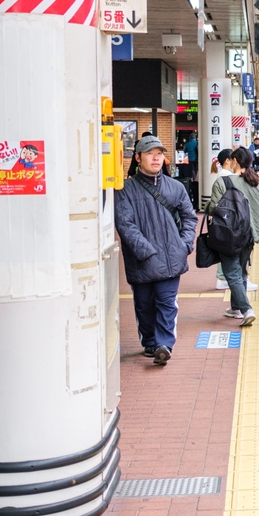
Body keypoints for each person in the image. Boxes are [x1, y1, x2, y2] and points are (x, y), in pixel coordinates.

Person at [115, 135, 197, 366]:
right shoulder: (125, 190)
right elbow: (125, 224)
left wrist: (185, 243)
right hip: (142, 261)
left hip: (172, 259)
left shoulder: (176, 187)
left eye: (159, 153)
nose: (156, 158)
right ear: (138, 158)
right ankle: (150, 342)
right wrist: (146, 251)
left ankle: (164, 345)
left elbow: (189, 217)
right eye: (150, 153)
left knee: (167, 303)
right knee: (144, 305)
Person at [206, 147, 259, 326]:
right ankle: (236, 308)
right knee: (241, 270)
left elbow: (214, 208)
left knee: (232, 273)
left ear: (234, 161)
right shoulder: (256, 184)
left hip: (229, 235)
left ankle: (246, 309)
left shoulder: (223, 182)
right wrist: (256, 228)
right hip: (248, 236)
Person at [209, 149, 259, 293]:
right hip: (233, 224)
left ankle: (235, 301)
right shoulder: (227, 177)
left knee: (227, 252)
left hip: (227, 222)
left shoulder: (224, 176)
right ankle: (241, 305)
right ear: (229, 160)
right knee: (234, 260)